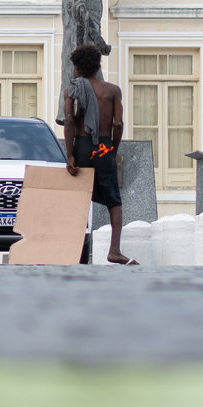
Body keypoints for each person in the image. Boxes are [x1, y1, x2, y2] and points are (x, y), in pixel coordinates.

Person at [63, 44, 133, 264]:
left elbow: (69, 121)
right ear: (97, 66)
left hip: (82, 145)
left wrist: (70, 155)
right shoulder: (112, 91)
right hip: (103, 146)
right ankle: (114, 250)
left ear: (77, 68)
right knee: (114, 200)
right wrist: (113, 146)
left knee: (78, 198)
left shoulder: (72, 90)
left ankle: (75, 250)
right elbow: (118, 123)